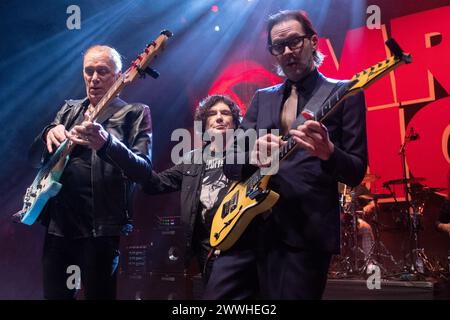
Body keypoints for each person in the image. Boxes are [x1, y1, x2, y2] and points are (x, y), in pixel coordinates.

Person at [204, 10, 367, 299]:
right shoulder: (262, 98)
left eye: (295, 42)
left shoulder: (345, 93)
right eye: (278, 47)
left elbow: (355, 170)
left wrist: (329, 153)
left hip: (303, 235)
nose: (288, 51)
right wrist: (251, 154)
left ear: (313, 41)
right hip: (246, 228)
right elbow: (230, 163)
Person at [28, 45, 152, 299]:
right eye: (89, 71)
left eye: (103, 71)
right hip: (58, 227)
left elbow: (144, 171)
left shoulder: (134, 113)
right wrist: (47, 133)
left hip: (100, 231)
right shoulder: (68, 110)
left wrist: (107, 143)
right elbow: (32, 159)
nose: (94, 78)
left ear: (118, 76)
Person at [142, 94, 241, 284]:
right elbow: (155, 184)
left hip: (242, 247)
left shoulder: (248, 151)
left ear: (235, 123)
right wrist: (120, 153)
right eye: (212, 113)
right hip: (208, 250)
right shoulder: (192, 159)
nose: (219, 117)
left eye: (225, 113)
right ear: (204, 125)